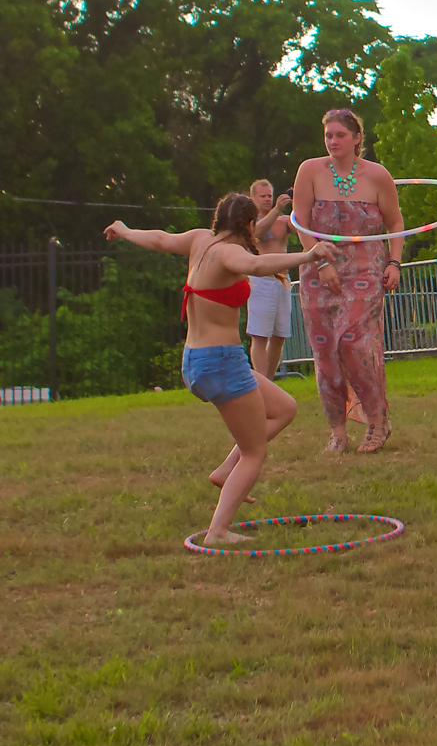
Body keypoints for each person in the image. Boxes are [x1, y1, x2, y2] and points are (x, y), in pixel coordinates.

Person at [105, 196, 339, 543]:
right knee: (255, 452)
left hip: (196, 361)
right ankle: (217, 531)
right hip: (221, 362)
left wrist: (124, 230)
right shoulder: (230, 253)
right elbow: (261, 266)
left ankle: (225, 470)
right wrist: (309, 255)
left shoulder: (200, 239)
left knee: (284, 409)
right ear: (248, 225)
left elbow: (159, 239)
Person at [291, 108, 404, 453]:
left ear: (357, 138)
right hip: (318, 272)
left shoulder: (377, 175)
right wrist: (318, 261)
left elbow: (395, 223)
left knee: (356, 345)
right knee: (325, 353)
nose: (333, 141)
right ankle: (338, 432)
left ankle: (376, 421)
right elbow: (300, 221)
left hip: (365, 270)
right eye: (328, 135)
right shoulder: (309, 170)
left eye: (340, 135)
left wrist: (395, 262)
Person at [245, 178, 296, 381]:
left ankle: (269, 379)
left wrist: (298, 200)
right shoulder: (250, 222)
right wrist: (276, 210)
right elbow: (256, 233)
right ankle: (260, 380)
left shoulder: (283, 222)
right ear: (253, 198)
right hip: (261, 281)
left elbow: (300, 225)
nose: (267, 199)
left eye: (269, 196)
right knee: (260, 335)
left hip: (283, 280)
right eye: (263, 196)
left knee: (279, 335)